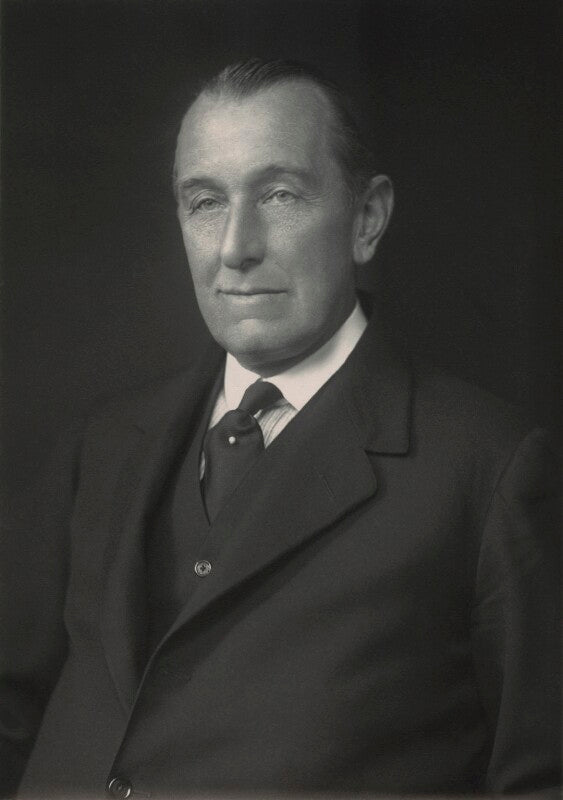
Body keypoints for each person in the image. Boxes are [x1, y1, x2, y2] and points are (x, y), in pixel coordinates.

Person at [1, 59, 560, 798]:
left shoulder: (489, 468)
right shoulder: (103, 443)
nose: (236, 246)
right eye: (206, 201)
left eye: (279, 195)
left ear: (366, 220)